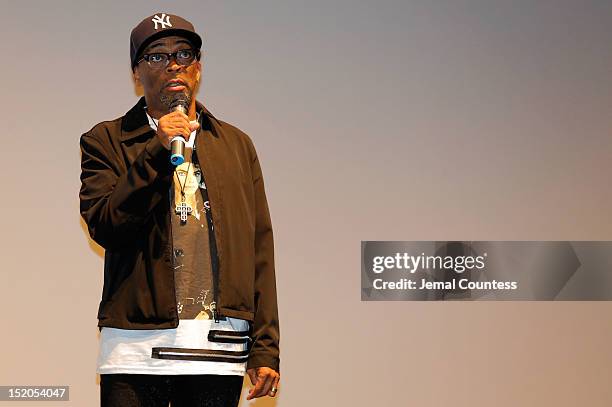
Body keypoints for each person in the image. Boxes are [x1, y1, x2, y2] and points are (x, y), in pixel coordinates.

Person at [79, 13, 280, 407]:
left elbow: (259, 248)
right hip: (136, 351)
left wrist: (265, 347)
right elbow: (107, 227)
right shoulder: (106, 141)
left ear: (198, 67)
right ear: (137, 73)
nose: (173, 64)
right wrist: (157, 148)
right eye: (155, 56)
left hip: (219, 351)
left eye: (183, 54)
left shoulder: (236, 145)